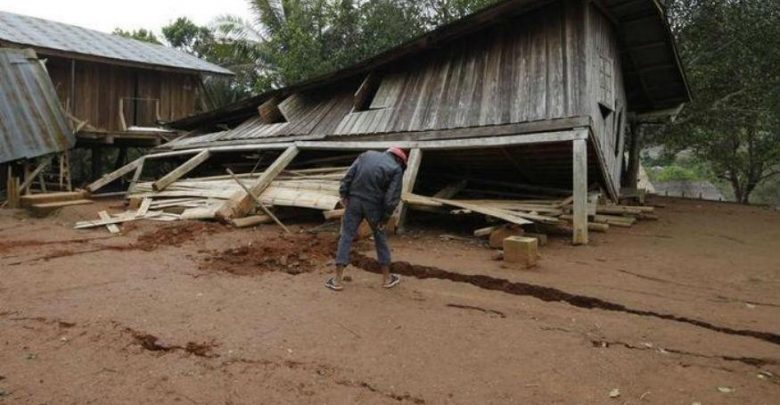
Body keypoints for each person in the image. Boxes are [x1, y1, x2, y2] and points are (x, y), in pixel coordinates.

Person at [326, 147, 407, 291]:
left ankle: (337, 280)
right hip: (374, 206)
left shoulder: (366, 155)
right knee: (380, 238)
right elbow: (391, 198)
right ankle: (387, 279)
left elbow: (349, 175)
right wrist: (385, 218)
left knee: (346, 236)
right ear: (400, 160)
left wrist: (344, 195)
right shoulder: (396, 169)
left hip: (354, 201)